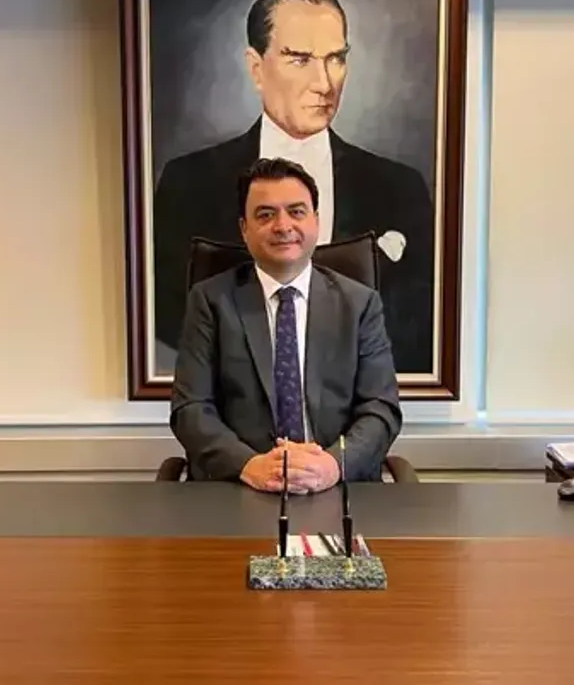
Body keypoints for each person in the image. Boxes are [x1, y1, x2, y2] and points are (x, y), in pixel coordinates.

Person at [151, 0, 434, 375]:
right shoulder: (188, 183)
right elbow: (168, 315)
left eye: (335, 58)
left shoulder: (400, 189)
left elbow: (418, 323)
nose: (324, 84)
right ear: (256, 69)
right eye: (300, 59)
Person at [169, 157, 402, 493]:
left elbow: (380, 408)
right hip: (240, 487)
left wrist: (332, 465)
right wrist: (249, 465)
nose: (283, 225)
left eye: (296, 211)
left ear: (316, 221)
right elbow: (190, 409)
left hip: (336, 489)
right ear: (244, 229)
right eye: (265, 215)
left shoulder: (360, 304)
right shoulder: (210, 301)